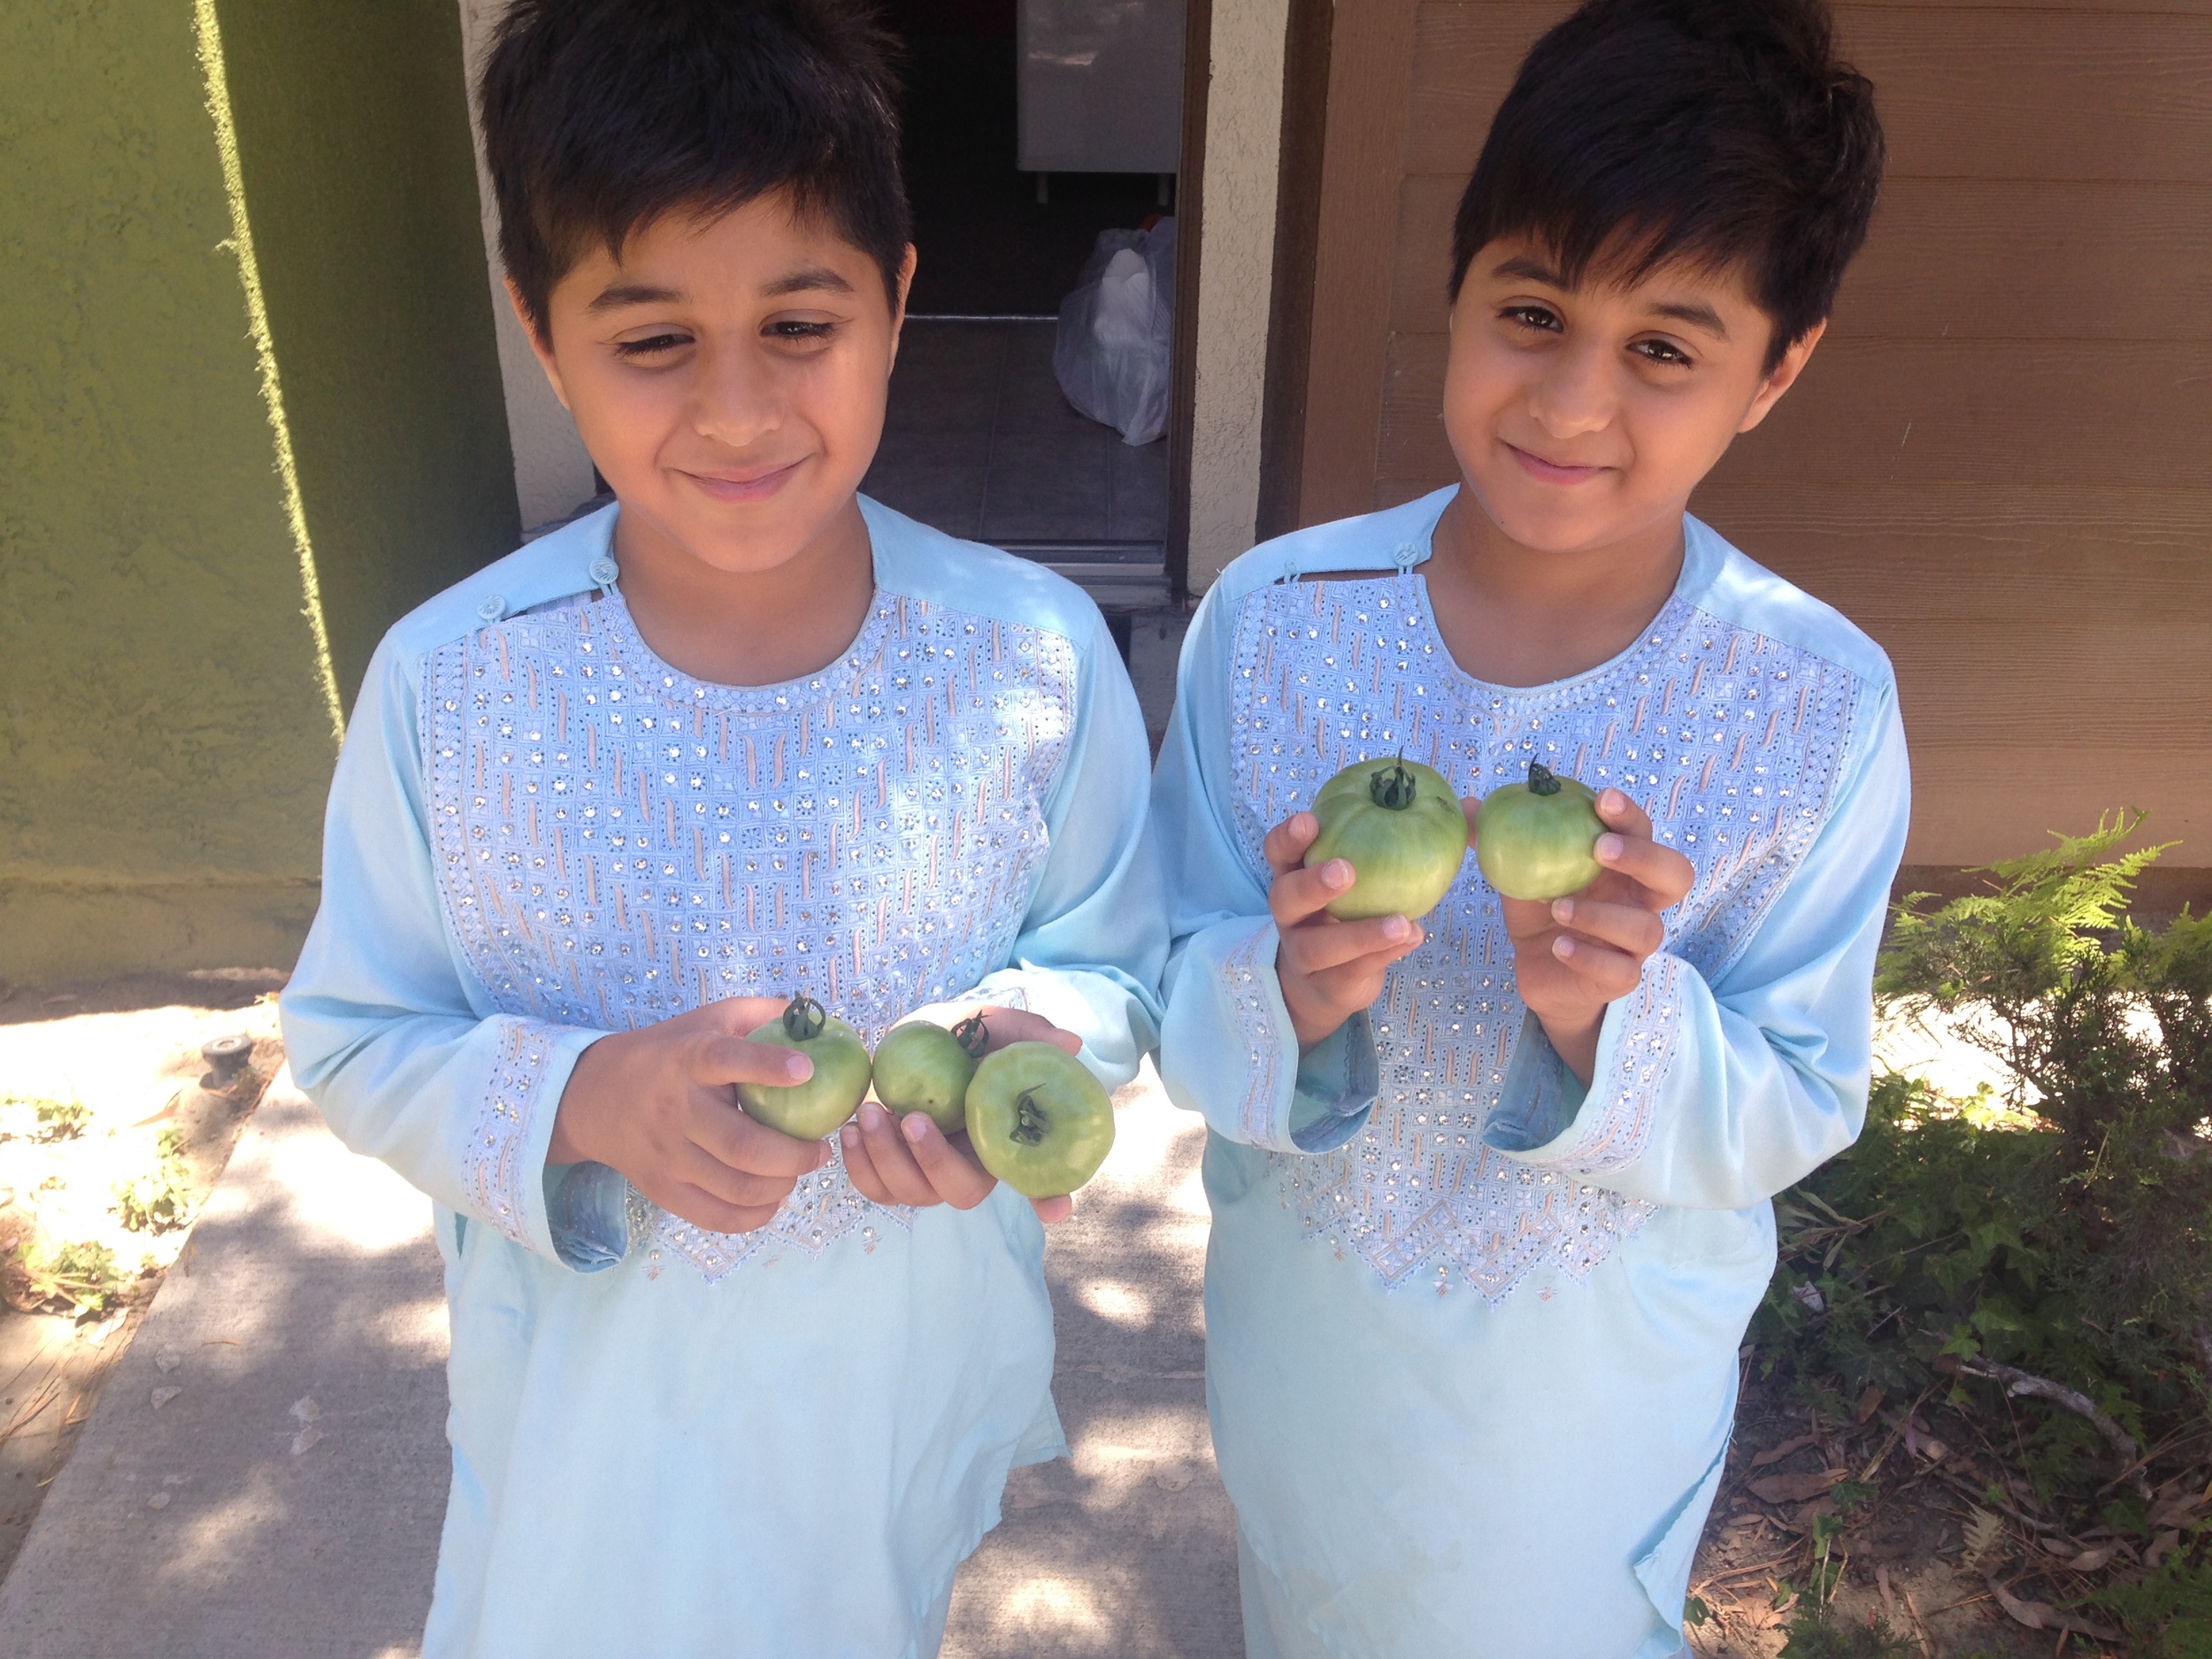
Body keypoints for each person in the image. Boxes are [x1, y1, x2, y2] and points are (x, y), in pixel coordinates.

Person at [279, 3, 1163, 1653]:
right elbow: (354, 1035)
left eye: (800, 322)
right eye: (654, 338)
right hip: (591, 1418)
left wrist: (1022, 1047)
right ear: (542, 338)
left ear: (897, 301)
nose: (741, 413)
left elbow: (1116, 963)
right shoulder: (452, 685)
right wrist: (585, 1093)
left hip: (893, 1385)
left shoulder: (1034, 659)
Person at [1150, 0, 1904, 1652]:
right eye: (1535, 309)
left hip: (1591, 1386)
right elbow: (1162, 975)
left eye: (1663, 347)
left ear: (1775, 371)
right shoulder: (1279, 623)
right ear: (1461, 286)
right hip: (1314, 1348)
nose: (1569, 400)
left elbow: (1801, 1090)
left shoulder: (1814, 702)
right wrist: (1278, 993)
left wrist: (1613, 1021)